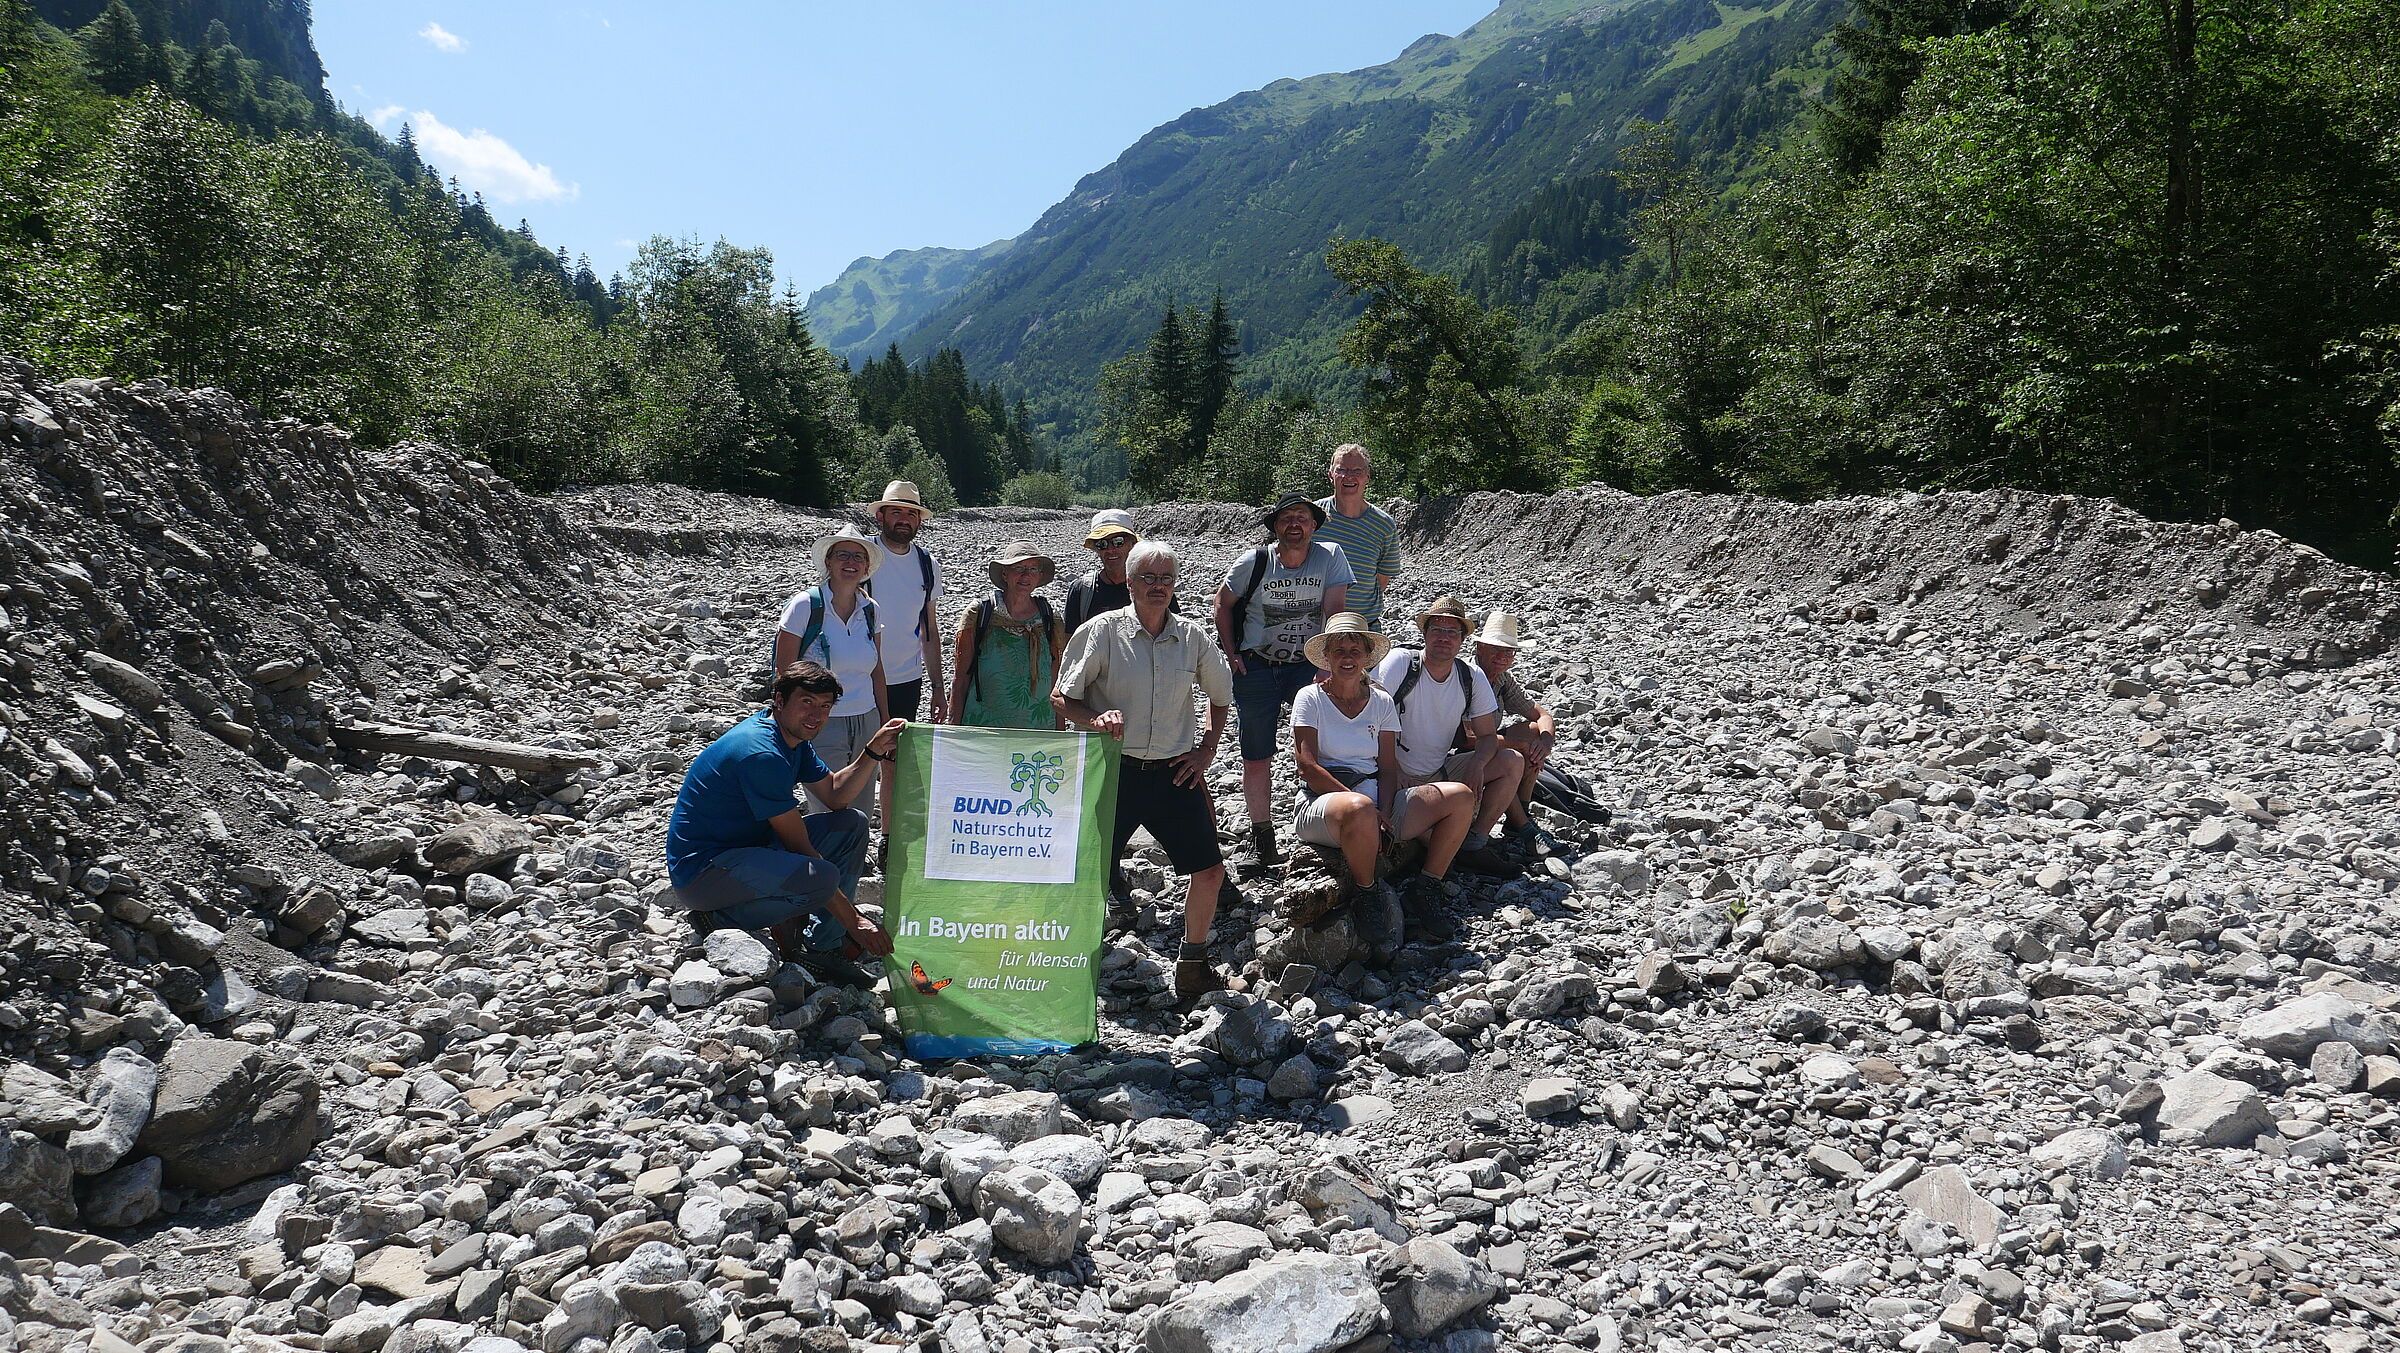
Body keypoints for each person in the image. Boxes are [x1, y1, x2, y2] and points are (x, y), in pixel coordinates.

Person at [1054, 540, 1236, 1002]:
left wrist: (1207, 751)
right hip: (1114, 771)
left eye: (1166, 579)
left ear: (1175, 585)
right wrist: (1094, 720)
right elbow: (1062, 696)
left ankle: (1193, 965)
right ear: (1130, 583)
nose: (1158, 587)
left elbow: (1221, 695)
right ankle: (1070, 967)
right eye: (1148, 578)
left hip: (1175, 772)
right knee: (1090, 873)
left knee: (1210, 871)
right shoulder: (1101, 632)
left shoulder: (1192, 637)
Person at [662, 661, 903, 988]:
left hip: (749, 849)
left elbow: (835, 796)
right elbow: (801, 848)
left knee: (851, 824)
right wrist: (856, 921)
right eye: (806, 703)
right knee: (821, 877)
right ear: (779, 700)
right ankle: (719, 918)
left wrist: (872, 750)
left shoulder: (793, 740)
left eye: (825, 706)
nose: (816, 716)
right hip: (704, 872)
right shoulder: (762, 753)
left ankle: (822, 946)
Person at [1289, 613, 1477, 937]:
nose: (1347, 658)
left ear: (1365, 657)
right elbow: (1307, 766)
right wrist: (1365, 807)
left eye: (1354, 651)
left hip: (1376, 802)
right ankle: (1367, 892)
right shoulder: (1310, 698)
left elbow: (1389, 768)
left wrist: (1386, 812)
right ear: (1328, 657)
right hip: (1324, 804)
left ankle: (1427, 885)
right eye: (1339, 651)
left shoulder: (1381, 702)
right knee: (1358, 809)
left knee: (1460, 797)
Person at [1213, 493, 1353, 871]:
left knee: (1325, 742)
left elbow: (1335, 612)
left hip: (1306, 666)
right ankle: (1263, 836)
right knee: (1256, 753)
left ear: (1314, 525)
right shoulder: (1253, 562)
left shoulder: (1330, 557)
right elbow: (1222, 604)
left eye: (1303, 518)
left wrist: (1328, 663)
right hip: (1257, 666)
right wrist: (1232, 654)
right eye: (1287, 518)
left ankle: (1334, 819)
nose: (1295, 524)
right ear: (1275, 526)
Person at [1374, 596, 1524, 881]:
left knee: (1511, 761)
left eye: (1452, 631)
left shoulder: (1471, 676)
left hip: (1439, 770)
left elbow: (1488, 736)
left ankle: (1474, 842)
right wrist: (1393, 769)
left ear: (1463, 639)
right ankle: (1452, 858)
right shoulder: (1400, 664)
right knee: (1448, 811)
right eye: (1437, 630)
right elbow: (1369, 720)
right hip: (1395, 776)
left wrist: (1478, 763)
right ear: (1424, 635)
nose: (1444, 637)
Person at [775, 525, 889, 818]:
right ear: (829, 562)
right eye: (842, 555)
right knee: (827, 802)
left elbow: (876, 670)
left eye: (857, 557)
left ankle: (854, 857)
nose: (850, 563)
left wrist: (884, 720)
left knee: (863, 798)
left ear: (866, 567)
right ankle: (826, 861)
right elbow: (784, 672)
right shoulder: (805, 606)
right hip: (821, 719)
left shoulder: (870, 609)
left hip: (866, 718)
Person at [949, 542, 1067, 730]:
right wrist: (953, 731)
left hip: (1039, 726)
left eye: (1033, 569)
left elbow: (1055, 677)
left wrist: (1060, 732)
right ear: (1005, 574)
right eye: (1018, 568)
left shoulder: (1049, 618)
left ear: (1040, 576)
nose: (1025, 575)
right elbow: (961, 678)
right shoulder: (979, 614)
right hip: (984, 727)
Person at [1470, 610, 1557, 844]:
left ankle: (1520, 814)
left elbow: (1541, 714)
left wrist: (1545, 742)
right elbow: (1465, 738)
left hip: (1487, 742)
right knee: (1516, 755)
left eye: (1508, 651)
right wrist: (1519, 745)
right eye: (1495, 649)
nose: (1502, 656)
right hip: (1465, 751)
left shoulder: (1502, 680)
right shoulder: (1467, 677)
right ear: (1479, 648)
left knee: (1533, 732)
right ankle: (1522, 825)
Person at [863, 480, 945, 724]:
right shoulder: (862, 556)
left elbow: (929, 630)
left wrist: (938, 687)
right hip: (859, 678)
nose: (904, 519)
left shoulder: (927, 565)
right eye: (896, 512)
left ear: (919, 521)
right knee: (858, 756)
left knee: (894, 755)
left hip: (907, 680)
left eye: (911, 513)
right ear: (881, 516)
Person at [1313, 444, 1402, 632]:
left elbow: (1381, 579)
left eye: (1357, 471)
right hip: (1314, 628)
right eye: (1342, 470)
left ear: (1367, 477)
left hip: (1364, 628)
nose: (1349, 476)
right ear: (1330, 475)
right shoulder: (1312, 517)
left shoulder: (1384, 525)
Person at [1063, 508, 1175, 634]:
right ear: (1096, 549)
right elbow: (1071, 645)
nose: (1111, 549)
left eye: (1118, 542)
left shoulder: (1155, 585)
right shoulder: (1082, 590)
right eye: (1102, 544)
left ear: (1132, 544)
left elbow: (1175, 633)